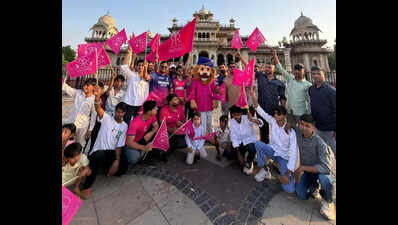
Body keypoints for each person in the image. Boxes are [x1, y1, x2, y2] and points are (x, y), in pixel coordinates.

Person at [79, 85, 129, 199]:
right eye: (118, 111)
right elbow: (98, 108)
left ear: (125, 113)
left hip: (110, 153)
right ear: (115, 111)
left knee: (123, 165)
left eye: (122, 113)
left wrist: (116, 161)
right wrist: (97, 97)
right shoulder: (106, 118)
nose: (120, 114)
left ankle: (105, 168)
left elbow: (119, 145)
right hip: (98, 152)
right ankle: (87, 186)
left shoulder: (124, 126)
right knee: (97, 157)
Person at [249, 88, 298, 194]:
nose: (276, 115)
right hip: (272, 151)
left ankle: (289, 174)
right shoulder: (272, 121)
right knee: (258, 144)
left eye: (279, 113)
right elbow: (259, 109)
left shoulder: (290, 131)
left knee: (290, 189)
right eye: (275, 113)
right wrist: (253, 96)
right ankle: (265, 170)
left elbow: (294, 152)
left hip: (283, 157)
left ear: (284, 116)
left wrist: (287, 173)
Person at [293, 114, 336, 220]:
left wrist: (302, 168)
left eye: (307, 126)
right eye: (302, 124)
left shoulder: (320, 143)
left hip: (321, 172)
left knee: (325, 179)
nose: (304, 128)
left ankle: (328, 200)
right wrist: (289, 125)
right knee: (301, 195)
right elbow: (292, 125)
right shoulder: (299, 132)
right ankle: (314, 188)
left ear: (313, 127)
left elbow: (325, 168)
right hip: (309, 172)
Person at [268, 47, 312, 127]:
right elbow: (280, 69)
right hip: (289, 112)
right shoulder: (290, 79)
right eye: (295, 69)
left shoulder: (308, 85)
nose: (297, 71)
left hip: (301, 113)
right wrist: (274, 54)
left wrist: (308, 114)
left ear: (304, 71)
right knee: (290, 131)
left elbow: (309, 101)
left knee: (300, 132)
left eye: (299, 69)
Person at [253, 57, 286, 144]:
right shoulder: (260, 76)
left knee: (276, 131)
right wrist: (241, 58)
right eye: (266, 67)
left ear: (274, 69)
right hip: (261, 109)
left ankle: (276, 150)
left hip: (273, 110)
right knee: (263, 132)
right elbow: (249, 68)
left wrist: (282, 111)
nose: (267, 69)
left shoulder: (279, 83)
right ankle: (265, 150)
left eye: (269, 67)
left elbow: (282, 97)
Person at [308, 66, 336, 156]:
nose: (315, 76)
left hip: (330, 129)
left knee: (334, 150)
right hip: (317, 126)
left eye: (318, 74)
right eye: (313, 74)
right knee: (321, 150)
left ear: (324, 74)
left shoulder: (331, 91)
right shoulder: (311, 89)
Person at [62, 77, 97, 149]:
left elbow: (94, 115)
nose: (85, 86)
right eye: (84, 84)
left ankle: (78, 158)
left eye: (87, 85)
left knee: (80, 144)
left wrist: (90, 129)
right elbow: (67, 88)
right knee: (67, 142)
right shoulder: (78, 93)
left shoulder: (94, 99)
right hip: (72, 123)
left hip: (83, 126)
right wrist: (63, 81)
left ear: (93, 87)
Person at [124, 100, 163, 165]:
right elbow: (129, 143)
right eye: (155, 108)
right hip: (130, 144)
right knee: (133, 159)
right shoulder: (135, 123)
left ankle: (144, 153)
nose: (157, 108)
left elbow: (156, 126)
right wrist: (144, 148)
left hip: (141, 140)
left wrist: (151, 132)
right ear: (149, 111)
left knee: (157, 136)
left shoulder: (152, 116)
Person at [119, 47, 150, 125]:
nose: (140, 67)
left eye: (142, 65)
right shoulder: (132, 75)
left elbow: (145, 78)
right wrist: (128, 53)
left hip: (140, 105)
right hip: (129, 103)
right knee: (126, 124)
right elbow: (123, 67)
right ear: (136, 67)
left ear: (145, 66)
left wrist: (146, 68)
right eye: (139, 65)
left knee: (137, 124)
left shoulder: (147, 78)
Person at [229, 105, 262, 175]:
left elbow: (260, 123)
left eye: (238, 115)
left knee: (252, 148)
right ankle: (245, 159)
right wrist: (239, 154)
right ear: (232, 115)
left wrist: (252, 119)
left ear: (241, 114)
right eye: (234, 115)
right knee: (233, 155)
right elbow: (233, 138)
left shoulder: (247, 118)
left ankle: (249, 161)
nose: (236, 117)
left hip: (250, 142)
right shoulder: (232, 122)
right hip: (240, 143)